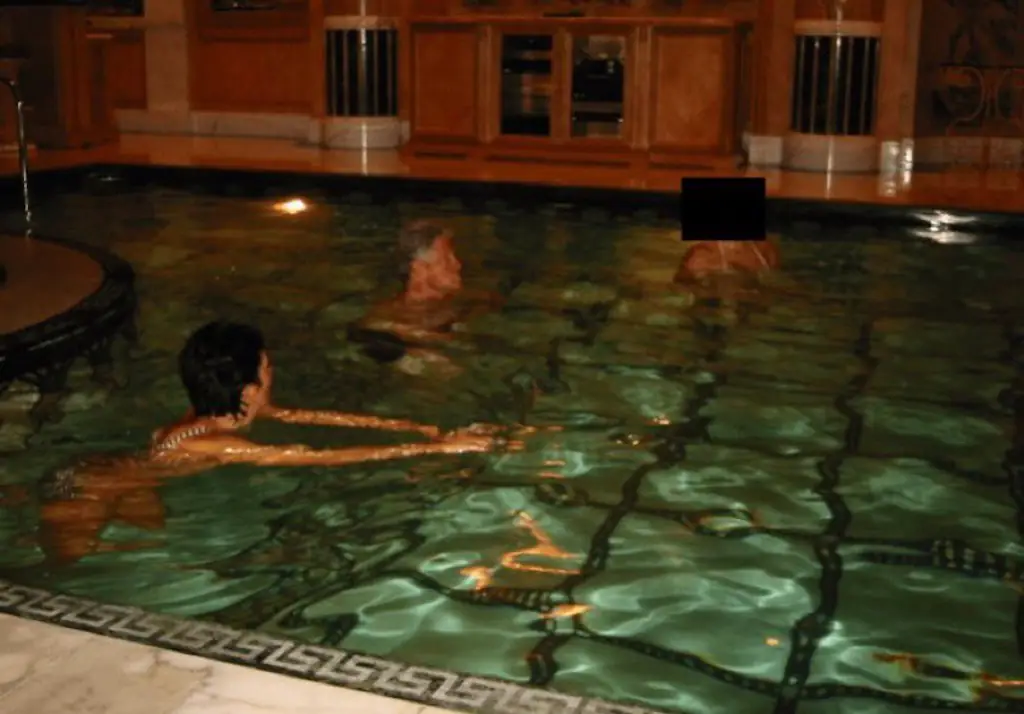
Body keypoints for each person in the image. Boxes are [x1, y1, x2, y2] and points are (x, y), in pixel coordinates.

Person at [30, 321, 516, 565]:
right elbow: (320, 458)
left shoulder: (223, 415)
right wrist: (437, 452)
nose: (272, 373)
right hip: (86, 486)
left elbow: (315, 419)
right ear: (248, 391)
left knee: (152, 541)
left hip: (130, 477)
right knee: (68, 564)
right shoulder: (215, 443)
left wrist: (416, 428)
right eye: (266, 368)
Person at [348, 220, 502, 369]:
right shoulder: (390, 317)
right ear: (420, 268)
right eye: (447, 258)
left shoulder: (466, 300)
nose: (457, 264)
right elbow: (370, 330)